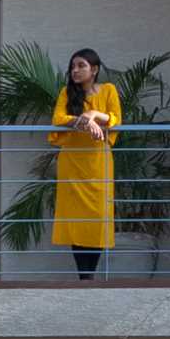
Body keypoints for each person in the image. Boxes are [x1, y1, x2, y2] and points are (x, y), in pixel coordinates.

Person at [49, 46, 123, 281]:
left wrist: (92, 116)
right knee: (77, 220)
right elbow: (58, 120)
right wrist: (81, 122)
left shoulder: (108, 90)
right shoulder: (66, 93)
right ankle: (85, 277)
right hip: (72, 163)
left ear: (95, 69)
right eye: (73, 67)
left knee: (97, 218)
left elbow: (115, 119)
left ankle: (90, 274)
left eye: (81, 65)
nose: (75, 71)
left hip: (98, 163)